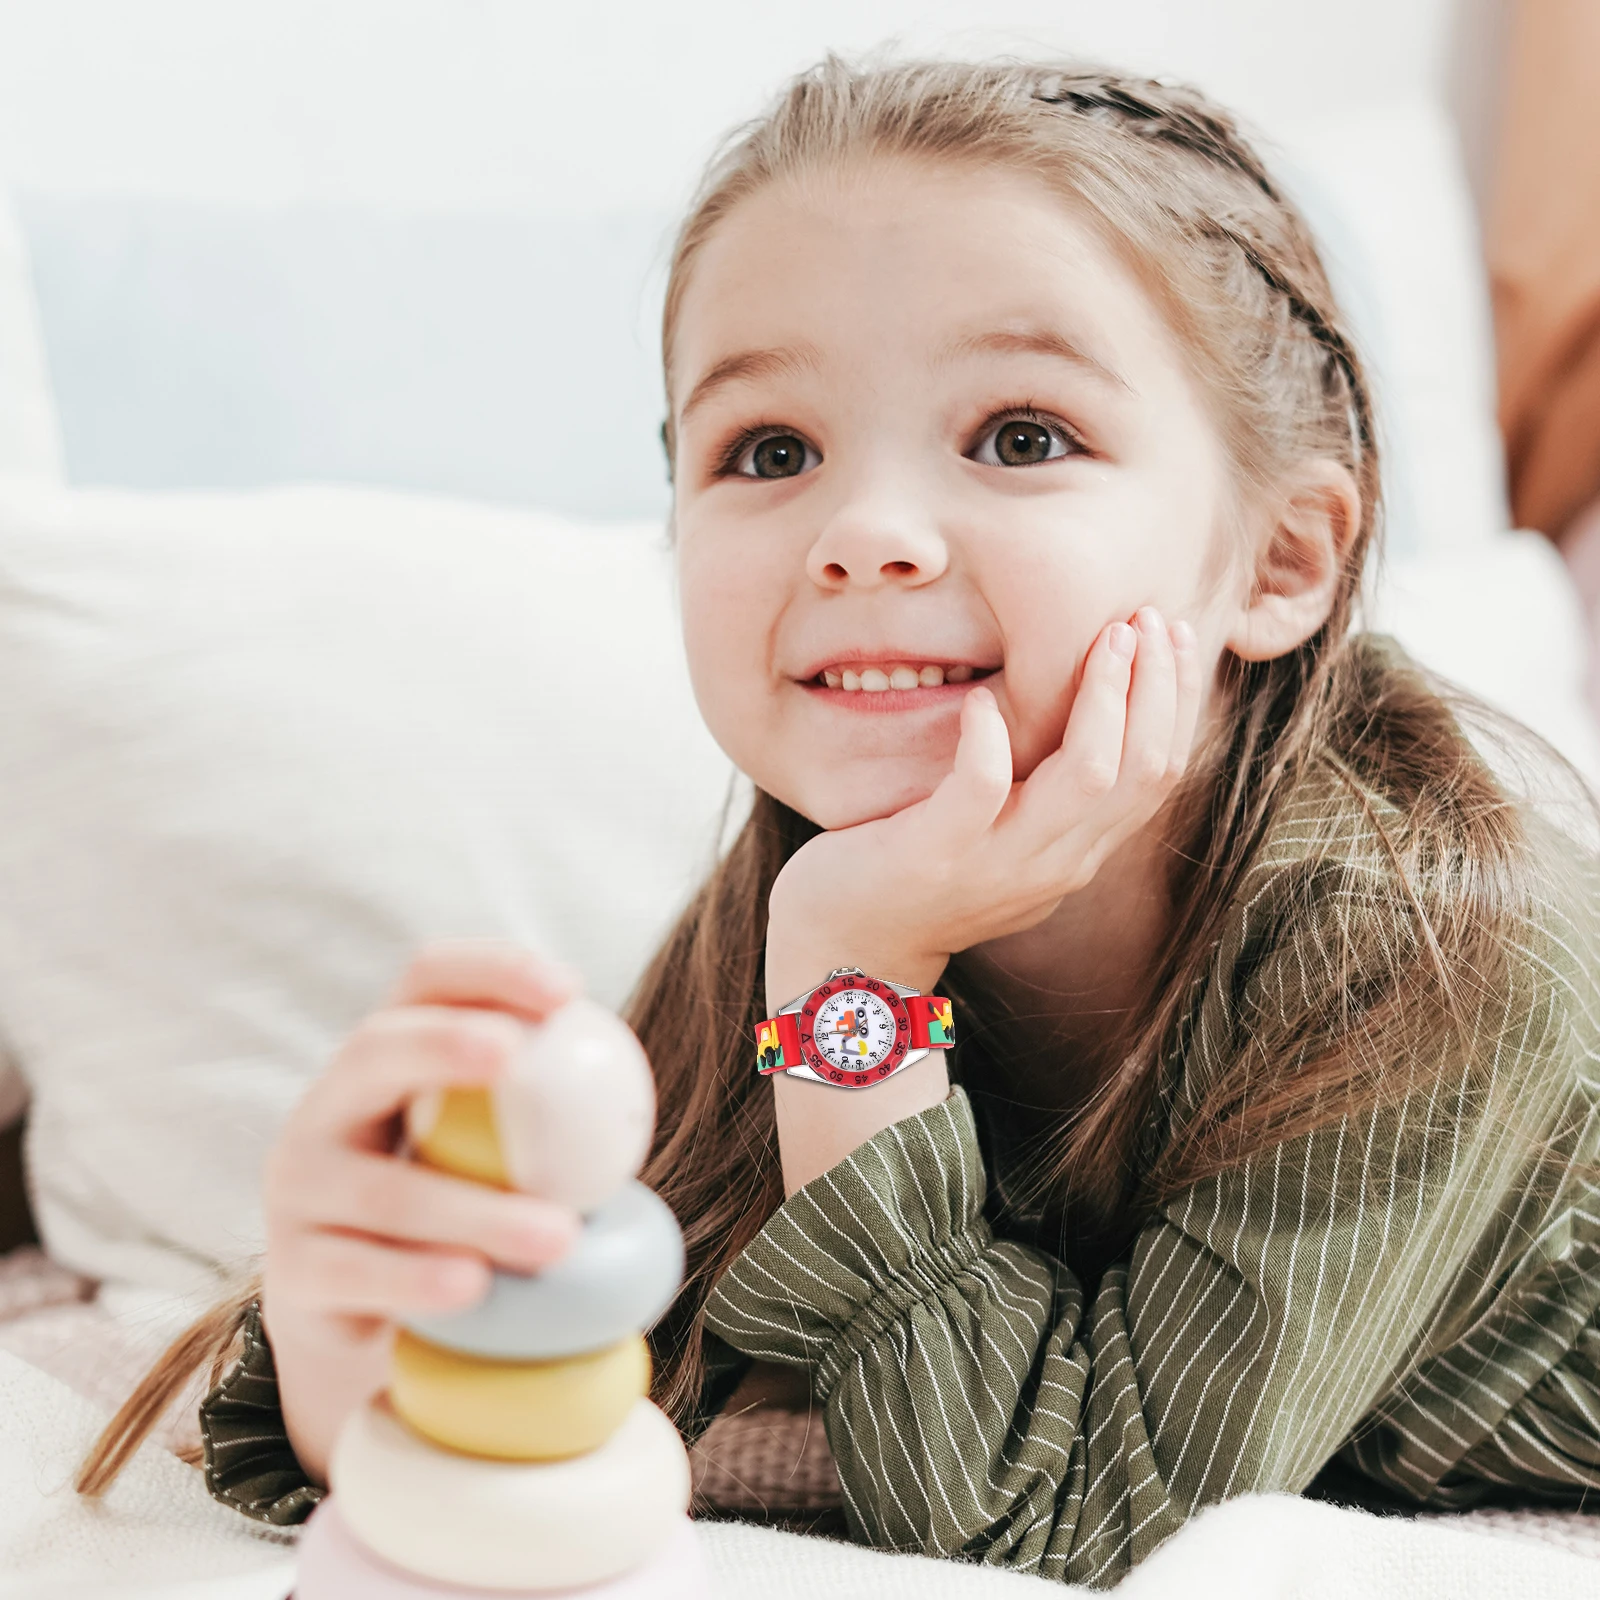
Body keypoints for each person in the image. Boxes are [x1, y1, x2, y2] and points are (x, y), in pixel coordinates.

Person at [78, 57, 1600, 1588]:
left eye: (1020, 435)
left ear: (1279, 560)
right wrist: (368, 1337)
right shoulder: (825, 883)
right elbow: (619, 1349)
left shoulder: (1435, 937)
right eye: (770, 452)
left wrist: (855, 985)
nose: (863, 533)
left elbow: (1055, 1527)